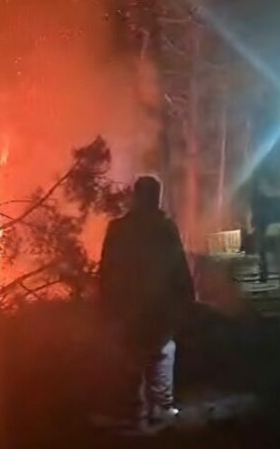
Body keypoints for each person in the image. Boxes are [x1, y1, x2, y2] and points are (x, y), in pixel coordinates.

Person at [97, 175, 195, 432]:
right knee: (160, 353)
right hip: (158, 305)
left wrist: (106, 303)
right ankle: (160, 409)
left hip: (129, 305)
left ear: (136, 197)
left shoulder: (118, 228)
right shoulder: (165, 228)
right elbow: (179, 267)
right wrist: (186, 298)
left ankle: (138, 410)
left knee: (134, 356)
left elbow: (106, 269)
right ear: (155, 197)